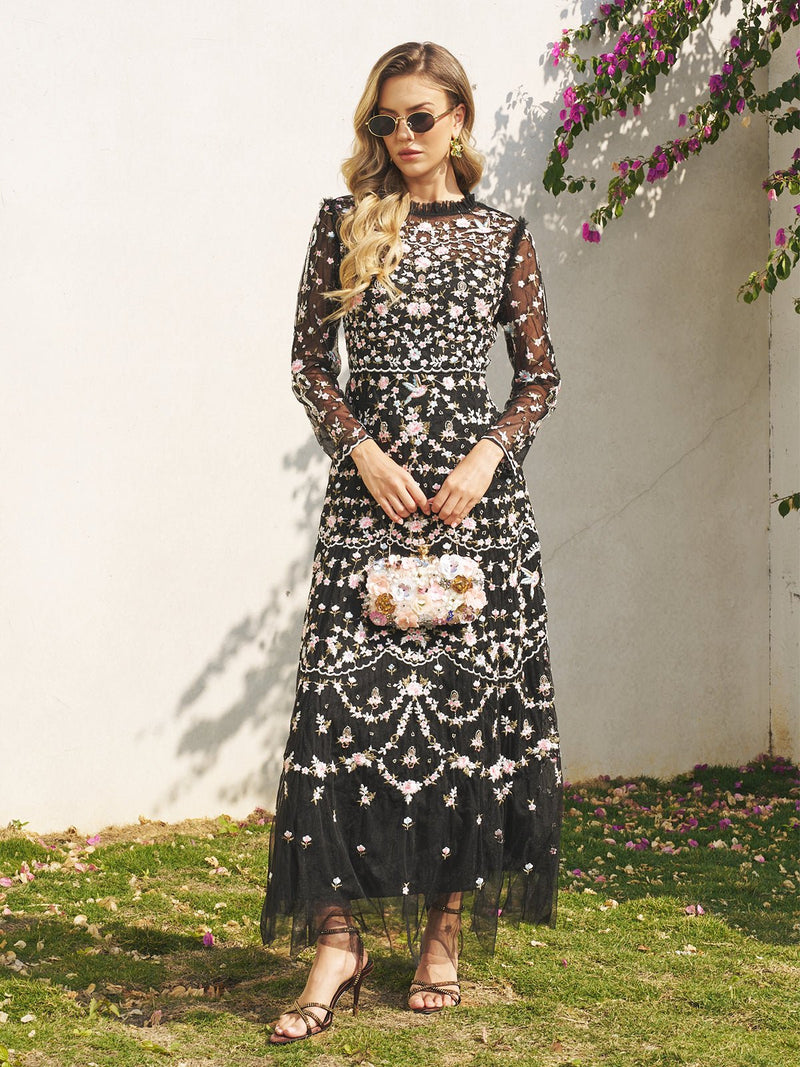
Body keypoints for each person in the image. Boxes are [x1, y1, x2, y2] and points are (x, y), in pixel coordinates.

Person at [261, 40, 563, 1045]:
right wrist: (359, 451)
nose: (401, 135)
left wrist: (486, 455)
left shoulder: (500, 235)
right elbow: (309, 365)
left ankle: (442, 932)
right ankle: (336, 940)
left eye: (419, 117)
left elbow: (539, 377)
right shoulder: (342, 224)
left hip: (475, 508)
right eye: (384, 121)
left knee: (464, 712)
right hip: (371, 503)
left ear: (458, 120)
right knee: (338, 704)